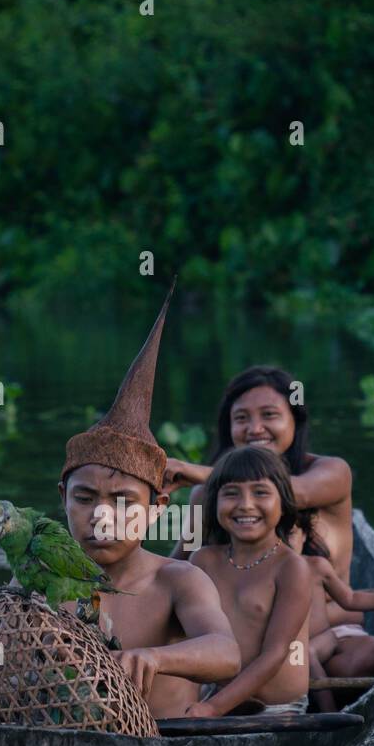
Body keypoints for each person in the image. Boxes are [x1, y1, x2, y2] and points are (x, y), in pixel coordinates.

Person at [58, 281, 240, 718]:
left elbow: (226, 654)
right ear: (63, 498)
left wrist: (155, 657)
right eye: (85, 498)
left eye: (123, 501)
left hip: (166, 745)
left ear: (157, 508)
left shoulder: (177, 580)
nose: (102, 516)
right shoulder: (39, 583)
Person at [165, 366, 359, 629]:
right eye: (242, 418)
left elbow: (294, 492)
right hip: (240, 629)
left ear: (295, 419)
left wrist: (193, 470)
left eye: (269, 415)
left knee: (361, 659)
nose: (255, 429)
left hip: (326, 627)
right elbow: (180, 562)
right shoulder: (205, 494)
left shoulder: (332, 472)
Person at [184, 446, 313, 718]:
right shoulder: (203, 561)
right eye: (231, 493)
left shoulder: (291, 568)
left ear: (283, 502)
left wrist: (212, 709)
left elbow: (274, 654)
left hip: (277, 710)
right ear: (214, 503)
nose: (245, 504)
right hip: (213, 695)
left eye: (260, 492)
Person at [288, 519, 374, 689]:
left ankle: (328, 709)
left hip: (321, 639)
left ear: (304, 535)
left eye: (290, 534)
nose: (284, 541)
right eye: (277, 535)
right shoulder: (267, 570)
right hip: (293, 644)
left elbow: (350, 599)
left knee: (304, 654)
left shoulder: (316, 567)